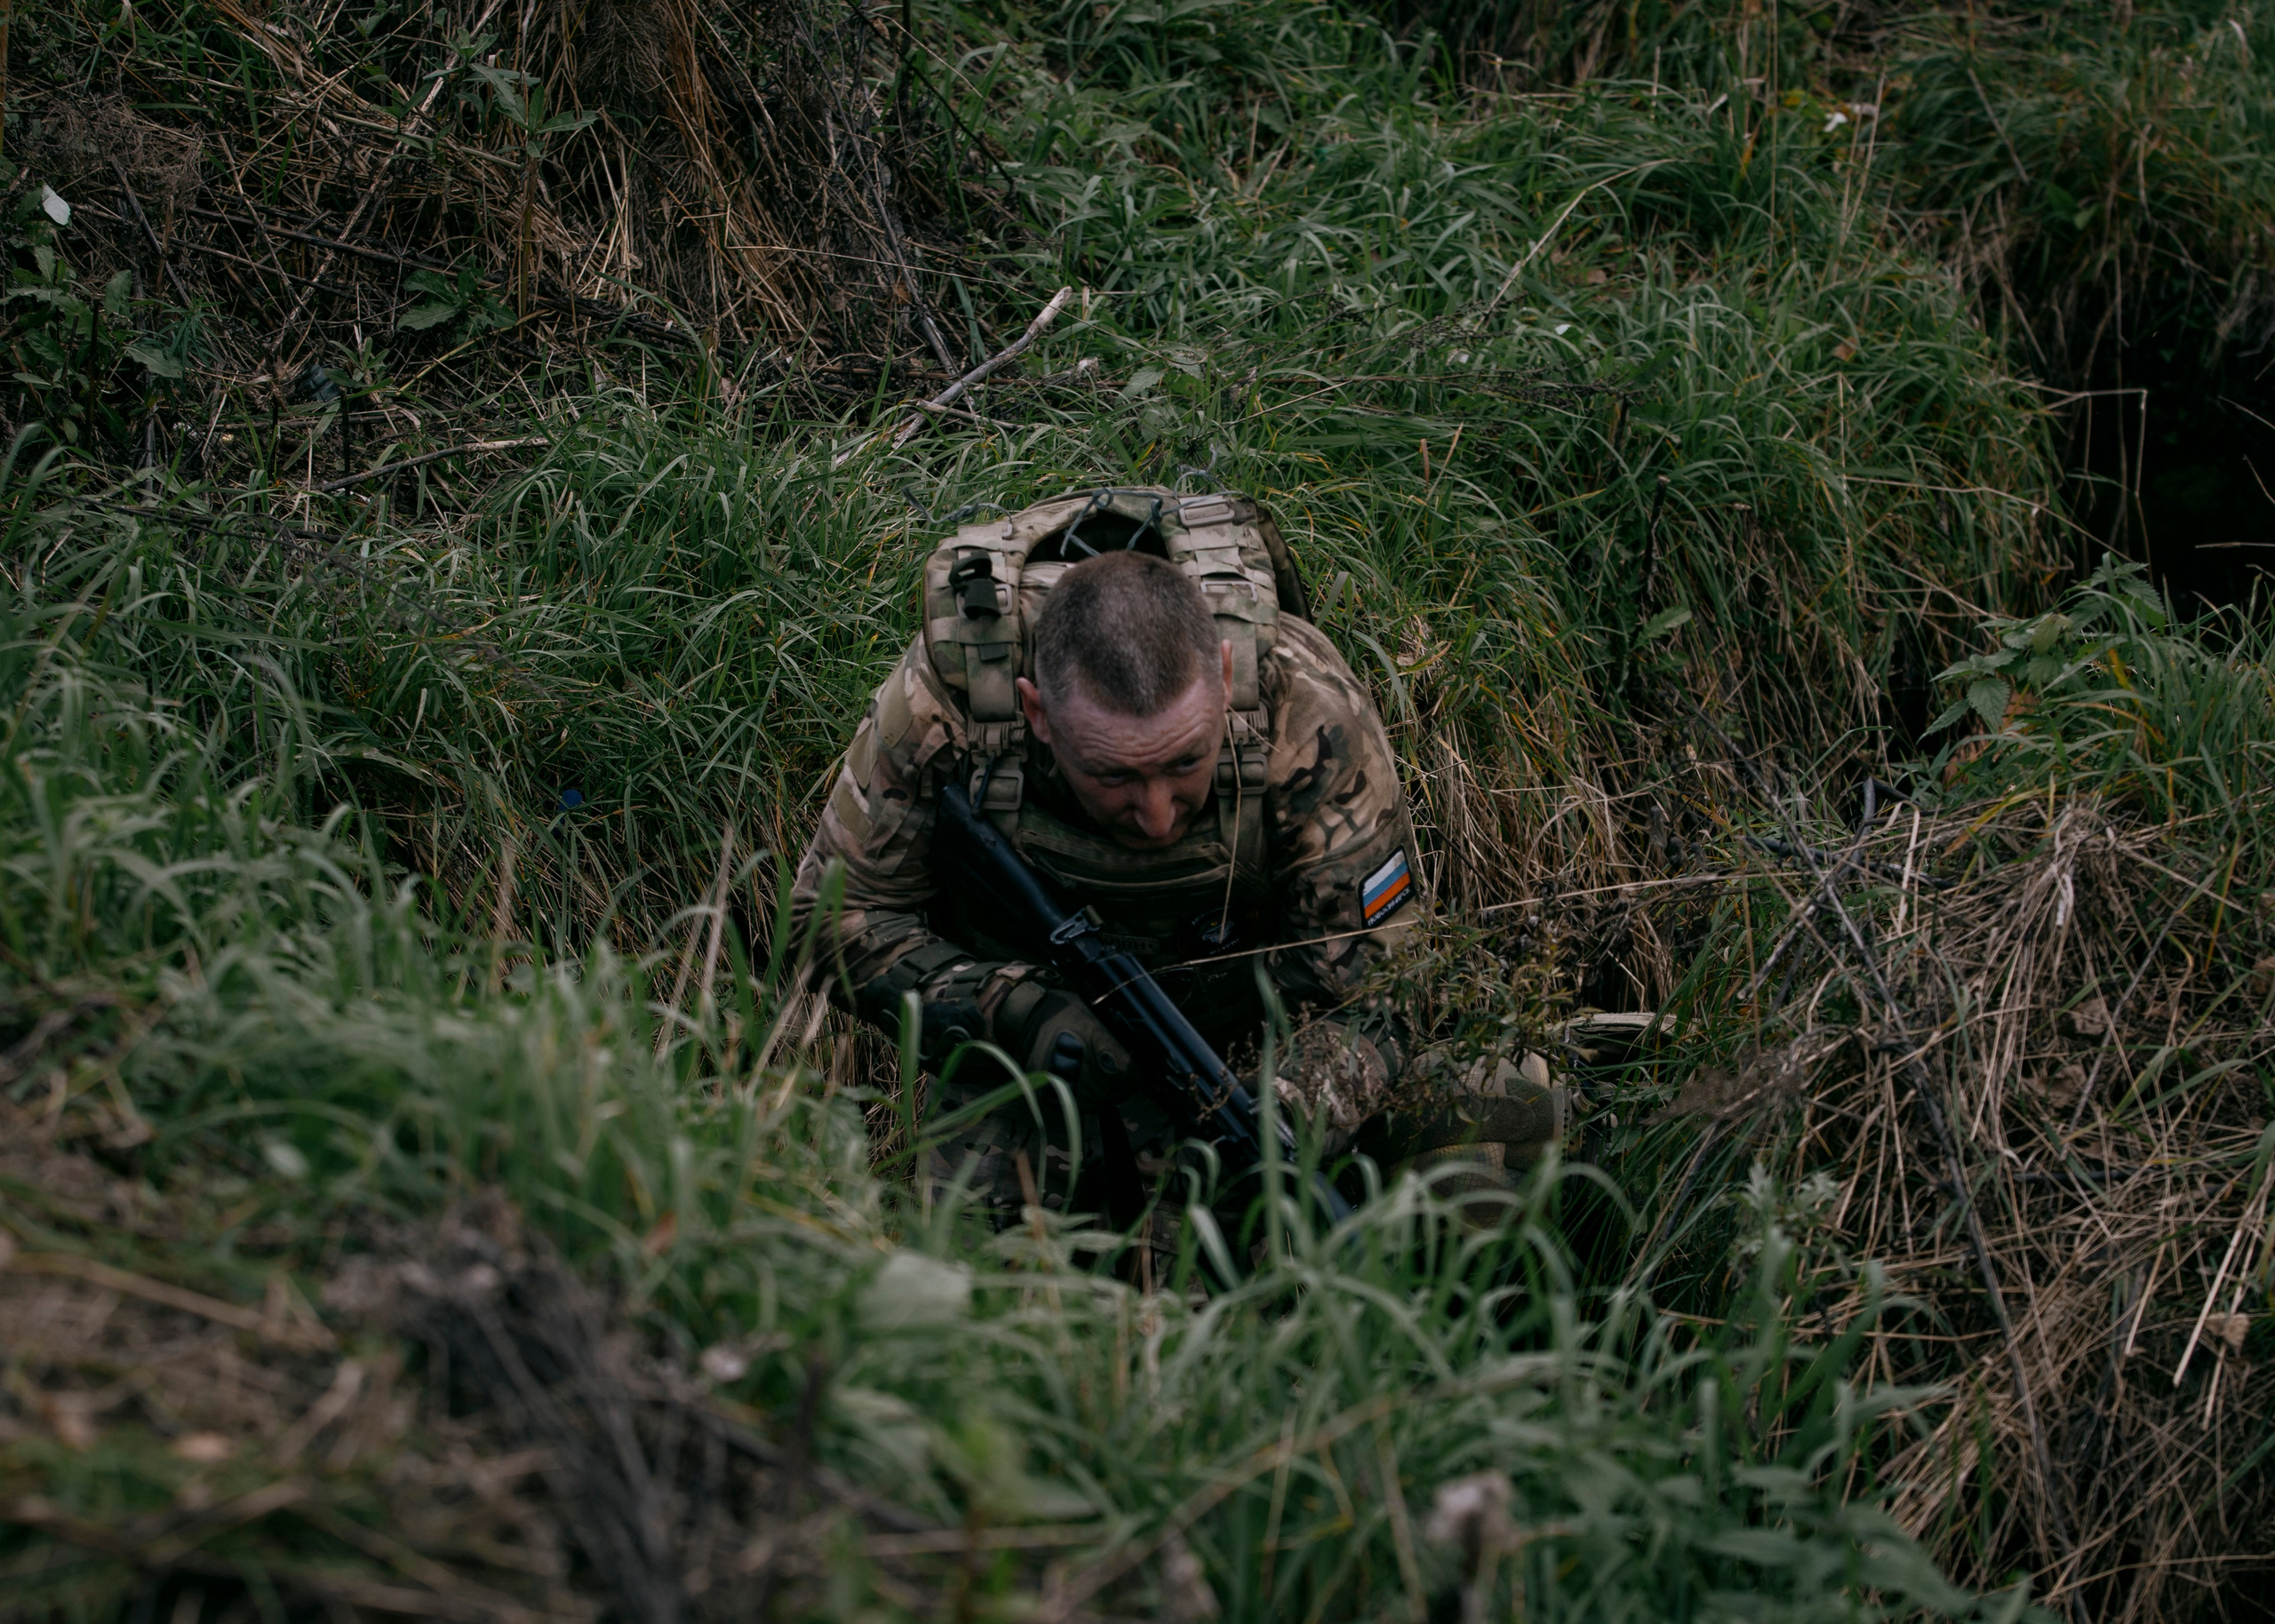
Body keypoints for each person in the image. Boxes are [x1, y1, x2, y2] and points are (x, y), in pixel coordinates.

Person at [791, 487, 1557, 1222]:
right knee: (992, 1325)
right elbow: (833, 916)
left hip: (1258, 1053)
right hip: (1039, 1072)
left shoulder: (1307, 717)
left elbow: (1378, 990)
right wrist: (1014, 1010)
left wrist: (1283, 1116)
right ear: (1038, 714)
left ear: (1223, 683)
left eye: (1184, 763)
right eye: (1114, 775)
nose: (1156, 817)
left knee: (1503, 1101)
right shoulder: (945, 711)